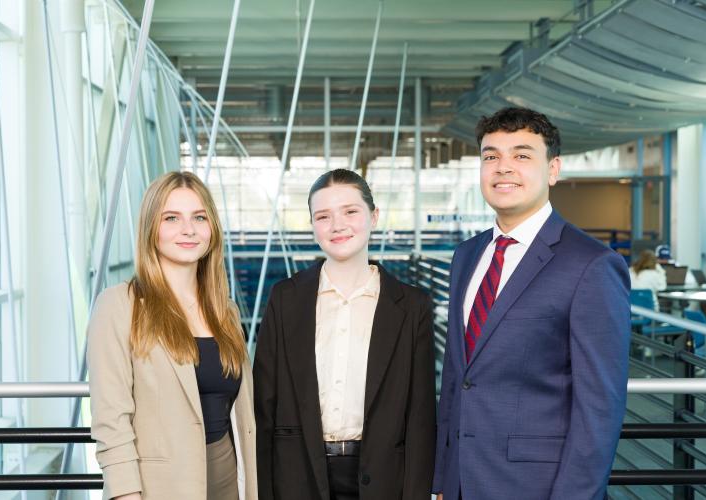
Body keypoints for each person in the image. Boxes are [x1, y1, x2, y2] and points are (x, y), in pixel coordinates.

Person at [433, 107, 630, 500]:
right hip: (461, 483)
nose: (503, 168)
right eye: (491, 156)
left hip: (537, 488)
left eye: (522, 155)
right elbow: (458, 380)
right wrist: (441, 480)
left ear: (553, 170)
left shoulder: (591, 264)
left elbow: (599, 408)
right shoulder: (467, 256)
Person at [254, 168, 436, 500]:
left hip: (384, 478)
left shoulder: (411, 306)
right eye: (323, 216)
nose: (337, 225)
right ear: (312, 226)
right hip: (298, 476)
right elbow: (264, 406)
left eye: (350, 211)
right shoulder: (285, 298)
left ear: (374, 216)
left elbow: (420, 417)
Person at [88, 171, 257, 500]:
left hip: (228, 478)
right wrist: (127, 495)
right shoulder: (119, 306)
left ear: (212, 228)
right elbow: (111, 419)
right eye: (172, 218)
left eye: (199, 217)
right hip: (161, 487)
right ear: (151, 229)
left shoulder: (226, 312)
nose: (188, 230)